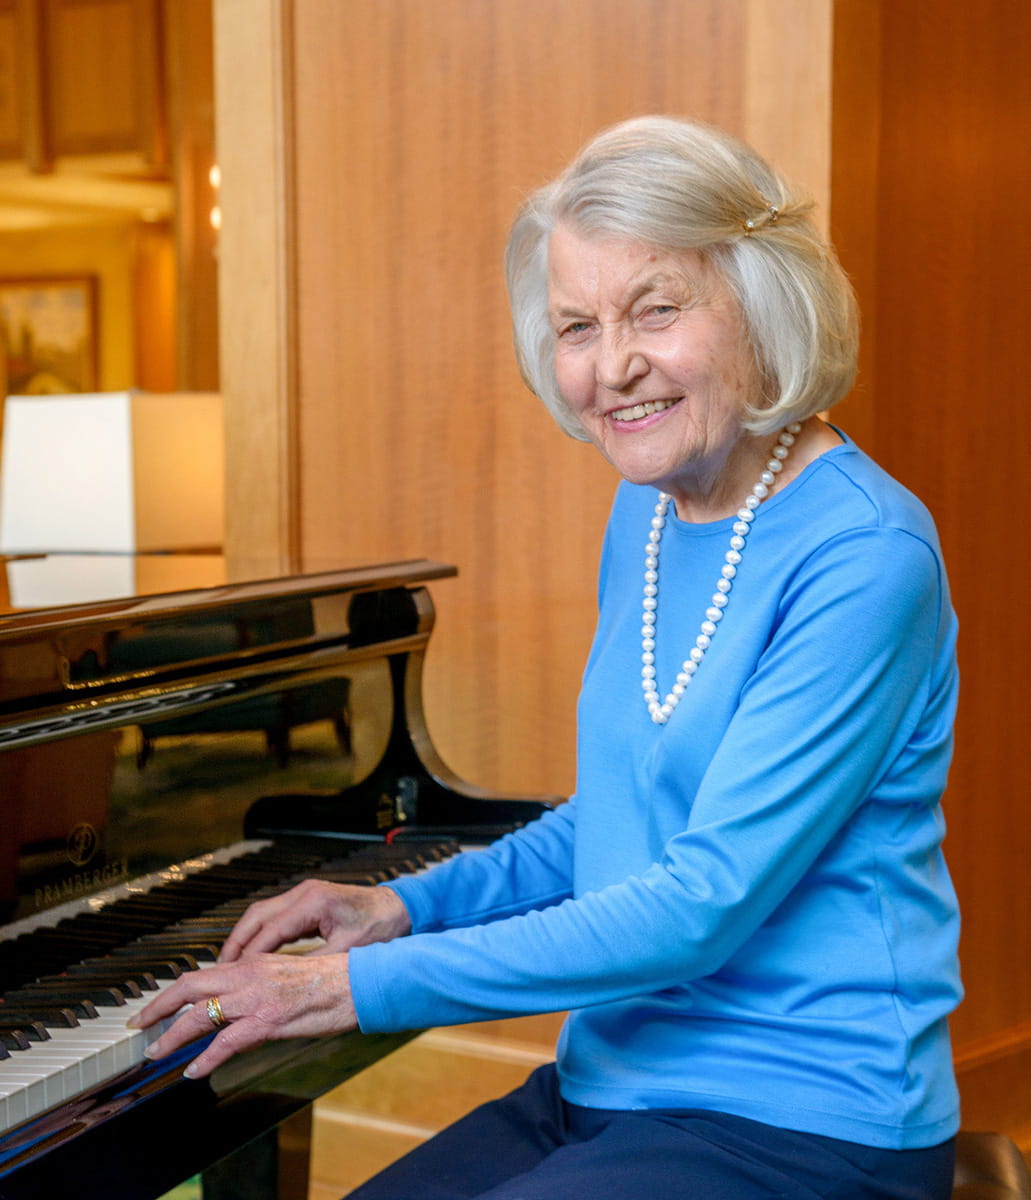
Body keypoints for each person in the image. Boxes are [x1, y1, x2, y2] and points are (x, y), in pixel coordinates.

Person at [131, 116, 962, 1199]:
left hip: (804, 1118)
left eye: (656, 309)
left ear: (763, 299)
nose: (612, 366)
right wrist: (401, 908)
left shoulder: (865, 555)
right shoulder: (650, 510)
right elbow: (611, 825)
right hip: (610, 1089)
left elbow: (695, 906)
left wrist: (358, 984)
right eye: (576, 325)